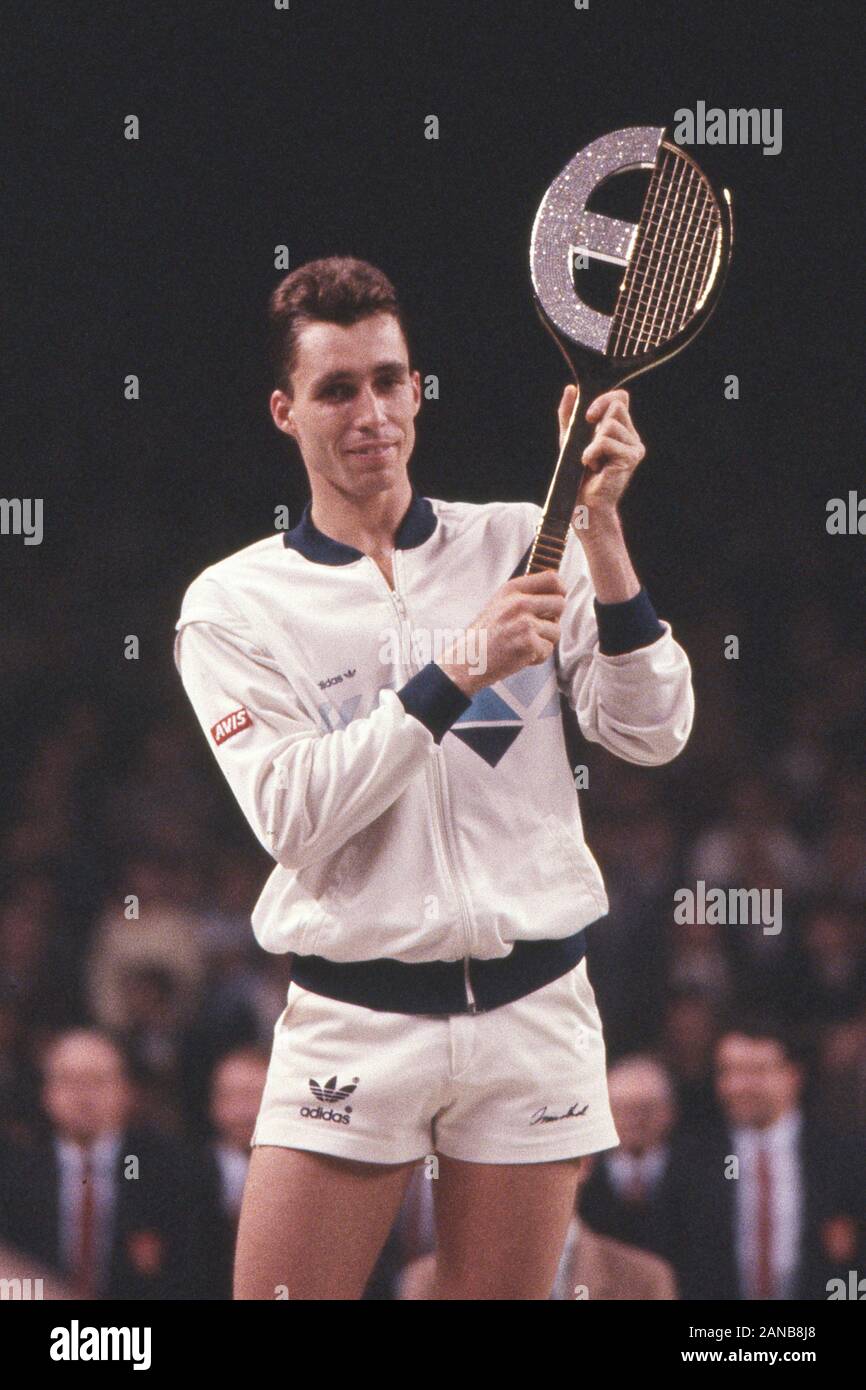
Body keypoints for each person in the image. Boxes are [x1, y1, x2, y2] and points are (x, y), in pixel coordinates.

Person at [173, 255, 695, 1299]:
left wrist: (599, 524)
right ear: (284, 410)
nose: (369, 411)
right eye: (335, 389)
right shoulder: (234, 605)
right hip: (354, 1019)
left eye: (387, 379)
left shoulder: (519, 539)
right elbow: (292, 812)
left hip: (533, 1009)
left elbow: (652, 730)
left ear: (415, 389)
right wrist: (460, 665)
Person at [671, 1020, 866, 1300]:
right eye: (729, 1072)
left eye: (755, 1072)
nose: (738, 1086)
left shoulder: (844, 1157)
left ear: (793, 1076)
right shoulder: (690, 1160)